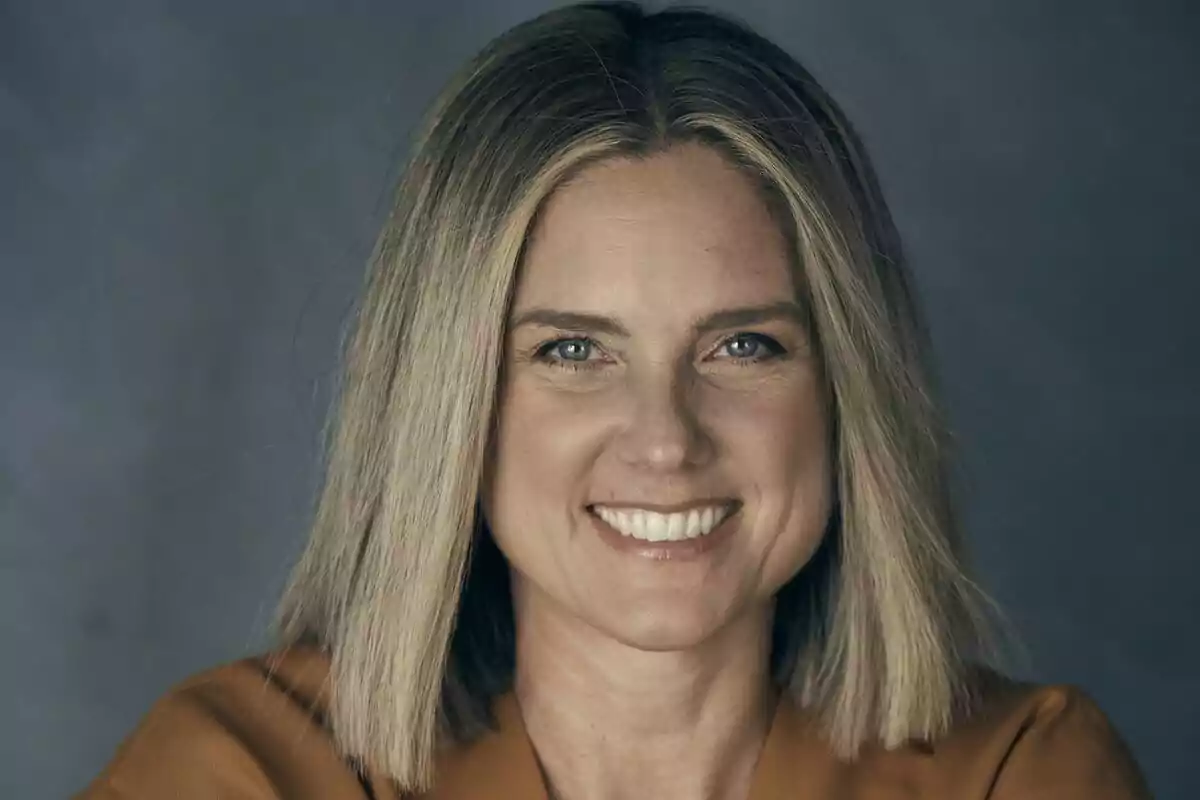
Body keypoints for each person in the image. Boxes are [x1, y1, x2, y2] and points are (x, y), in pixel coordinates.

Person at [77, 2, 1151, 798]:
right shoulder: (238, 772)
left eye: (743, 343)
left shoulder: (1022, 773)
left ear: (845, 391)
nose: (663, 439)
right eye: (573, 349)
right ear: (453, 401)